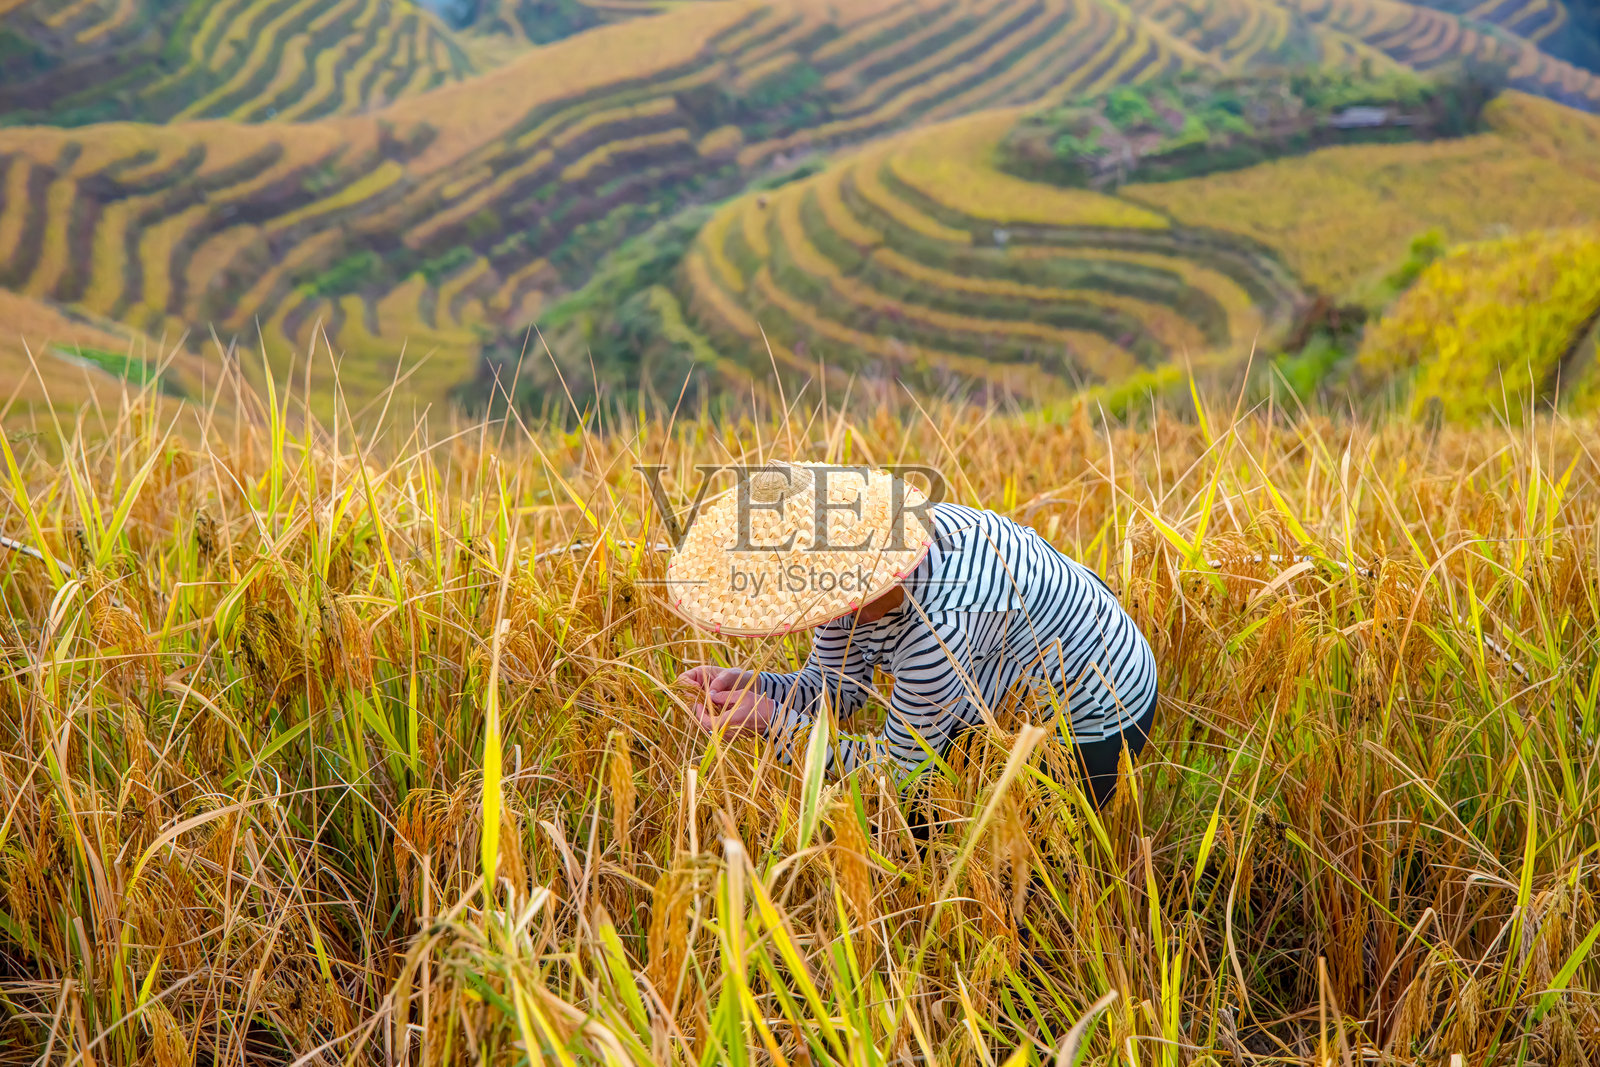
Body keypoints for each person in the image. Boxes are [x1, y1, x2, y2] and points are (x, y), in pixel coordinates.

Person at [666, 461, 1158, 812]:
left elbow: (899, 774)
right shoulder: (847, 576)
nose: (817, 617)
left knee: (933, 822)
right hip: (1010, 672)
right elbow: (836, 688)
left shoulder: (939, 627)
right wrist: (755, 687)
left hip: (1100, 715)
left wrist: (774, 725)